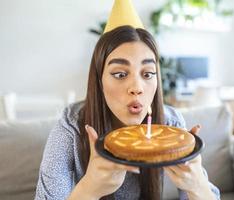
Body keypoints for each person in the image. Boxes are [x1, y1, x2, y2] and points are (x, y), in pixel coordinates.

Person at [35, 1, 220, 200]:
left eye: (148, 74)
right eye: (121, 74)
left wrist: (197, 186)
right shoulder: (71, 127)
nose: (137, 88)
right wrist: (89, 190)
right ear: (100, 81)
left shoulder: (171, 125)